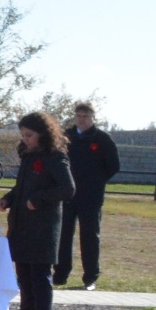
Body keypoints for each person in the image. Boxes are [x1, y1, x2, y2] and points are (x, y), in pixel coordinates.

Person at [0, 112, 77, 310]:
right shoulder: (28, 155)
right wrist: (9, 198)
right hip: (22, 226)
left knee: (41, 280)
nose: (26, 139)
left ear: (43, 133)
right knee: (25, 278)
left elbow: (67, 188)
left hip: (43, 228)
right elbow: (23, 186)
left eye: (29, 135)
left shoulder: (55, 156)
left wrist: (40, 199)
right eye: (23, 135)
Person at [55, 102, 119, 289]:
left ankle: (90, 277)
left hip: (91, 197)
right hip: (67, 195)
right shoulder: (66, 136)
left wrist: (95, 181)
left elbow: (113, 166)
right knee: (63, 235)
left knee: (90, 237)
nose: (82, 119)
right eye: (79, 115)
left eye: (86, 116)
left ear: (93, 118)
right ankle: (60, 274)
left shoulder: (102, 139)